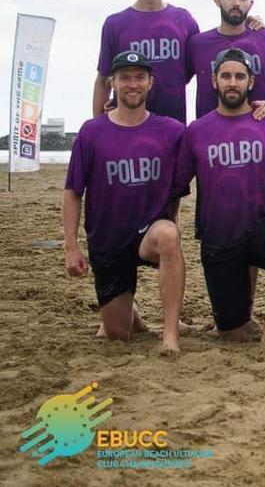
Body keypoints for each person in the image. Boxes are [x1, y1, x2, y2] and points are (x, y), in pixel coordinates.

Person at [173, 49, 265, 345]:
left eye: (240, 77)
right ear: (214, 82)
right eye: (226, 76)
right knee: (233, 334)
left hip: (261, 229)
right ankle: (240, 320)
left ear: (251, 82)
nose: (233, 83)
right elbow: (177, 184)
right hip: (219, 239)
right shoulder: (197, 131)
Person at [64, 50, 186, 353]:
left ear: (150, 83)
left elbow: (214, 136)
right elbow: (72, 192)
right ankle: (128, 314)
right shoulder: (92, 132)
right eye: (125, 77)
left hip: (149, 232)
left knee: (169, 235)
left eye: (140, 77)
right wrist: (71, 247)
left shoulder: (171, 131)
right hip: (108, 240)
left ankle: (170, 336)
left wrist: (259, 109)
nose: (133, 84)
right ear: (113, 83)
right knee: (118, 334)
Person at [94, 0, 199, 123]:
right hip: (127, 128)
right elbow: (104, 81)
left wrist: (253, 27)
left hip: (173, 129)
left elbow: (203, 68)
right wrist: (97, 129)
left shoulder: (184, 20)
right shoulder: (115, 24)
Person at [188, 0, 265, 119]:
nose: (236, 2)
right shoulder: (197, 44)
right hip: (210, 135)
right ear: (217, 0)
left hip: (257, 131)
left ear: (250, 3)